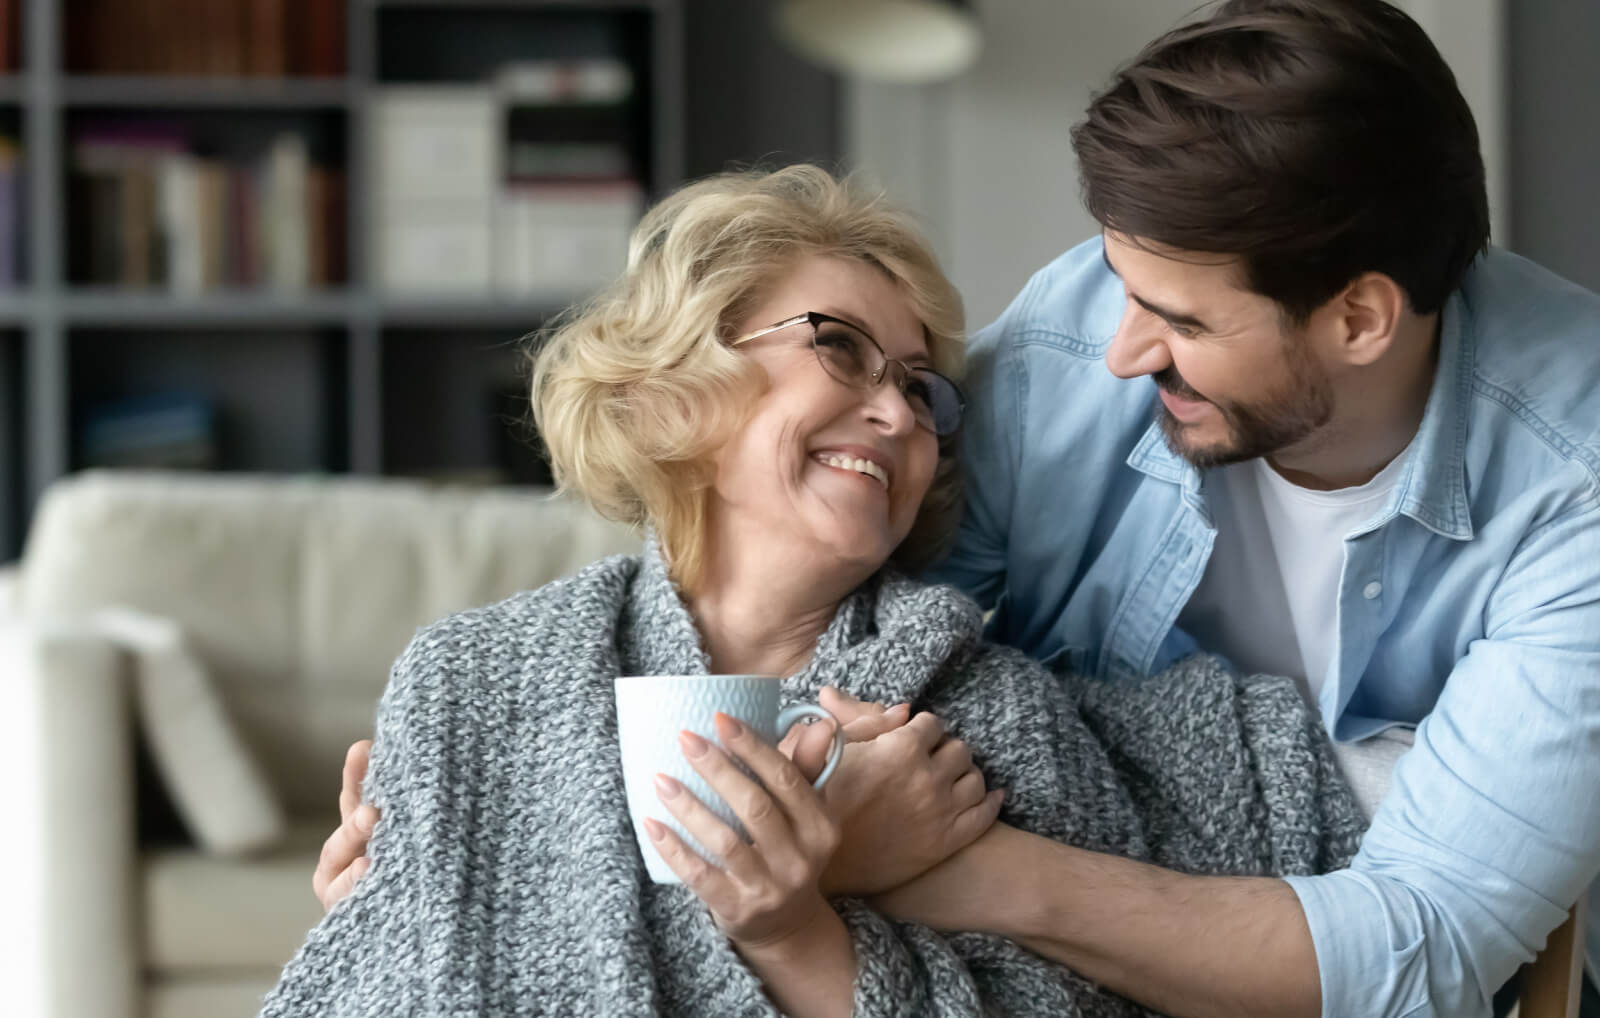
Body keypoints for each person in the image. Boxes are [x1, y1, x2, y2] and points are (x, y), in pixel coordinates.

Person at [318, 0, 1600, 1018]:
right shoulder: (1058, 350)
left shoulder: (1572, 488)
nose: (1117, 350)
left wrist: (894, 877)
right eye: (840, 349)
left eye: (1175, 318)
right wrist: (442, 882)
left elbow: (1425, 943)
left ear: (1360, 316)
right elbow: (863, 612)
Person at [268, 164, 1363, 1018]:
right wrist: (401, 918)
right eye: (839, 349)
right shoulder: (473, 679)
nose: (896, 414)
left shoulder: (973, 724)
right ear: (668, 387)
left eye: (922, 390)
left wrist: (793, 930)